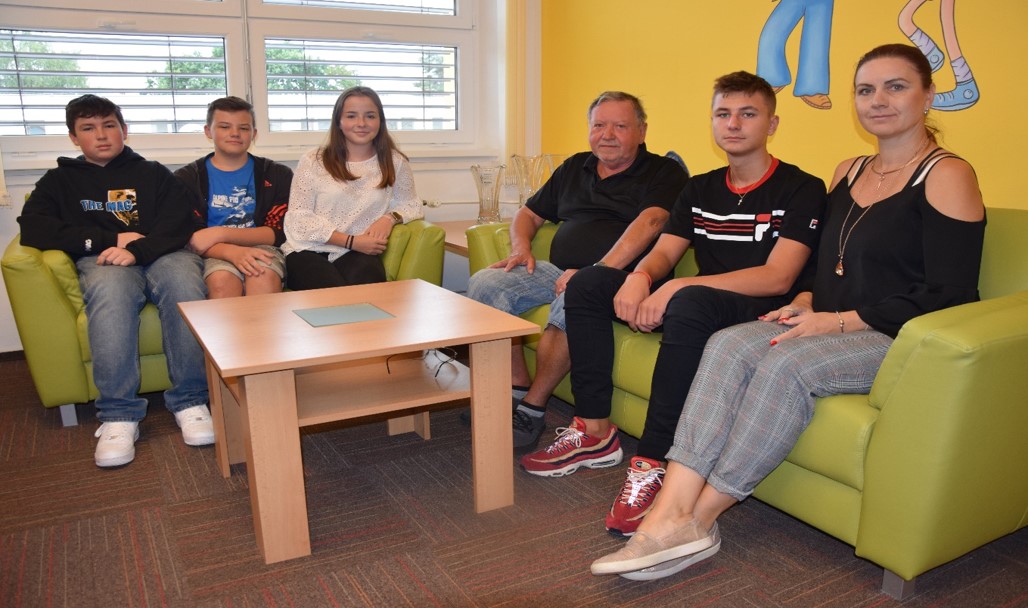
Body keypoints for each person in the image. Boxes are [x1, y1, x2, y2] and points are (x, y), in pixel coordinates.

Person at [590, 43, 985, 579]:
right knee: (728, 343)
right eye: (865, 89)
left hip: (897, 335)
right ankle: (668, 511)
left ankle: (698, 520)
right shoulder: (849, 171)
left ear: (928, 95)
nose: (878, 100)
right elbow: (825, 263)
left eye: (896, 87)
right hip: (827, 320)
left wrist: (839, 320)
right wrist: (805, 300)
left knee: (785, 365)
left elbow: (949, 292)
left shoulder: (947, 174)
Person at [523, 72, 827, 540]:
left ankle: (652, 463)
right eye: (723, 114)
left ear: (772, 124)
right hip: (702, 299)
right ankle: (595, 429)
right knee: (588, 284)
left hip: (763, 308)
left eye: (748, 114)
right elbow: (666, 251)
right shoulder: (700, 187)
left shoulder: (802, 187)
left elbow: (779, 276)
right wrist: (642, 277)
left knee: (689, 302)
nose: (733, 124)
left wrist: (677, 287)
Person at [465, 91, 688, 450]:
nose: (607, 135)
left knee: (574, 297)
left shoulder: (663, 172)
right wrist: (521, 248)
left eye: (620, 126)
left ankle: (533, 408)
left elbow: (652, 222)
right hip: (559, 271)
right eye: (599, 125)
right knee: (485, 284)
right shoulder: (575, 167)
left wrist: (593, 271)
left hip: (620, 280)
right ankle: (516, 387)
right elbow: (529, 213)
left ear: (642, 131)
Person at [18, 94, 215, 468]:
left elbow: (179, 223)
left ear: (124, 130)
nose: (101, 135)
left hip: (161, 253)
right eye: (88, 128)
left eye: (109, 125)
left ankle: (191, 401)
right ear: (74, 137)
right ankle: (119, 415)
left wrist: (138, 250)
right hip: (103, 258)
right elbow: (34, 228)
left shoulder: (153, 173)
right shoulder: (59, 180)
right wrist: (109, 240)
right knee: (111, 293)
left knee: (185, 285)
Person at [281, 86, 422, 290]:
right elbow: (298, 219)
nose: (361, 123)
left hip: (357, 253)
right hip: (308, 250)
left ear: (380, 121)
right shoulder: (313, 161)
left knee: (368, 288)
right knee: (333, 293)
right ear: (339, 121)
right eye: (351, 116)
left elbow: (412, 204)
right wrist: (351, 241)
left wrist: (389, 218)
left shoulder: (394, 162)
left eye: (370, 116)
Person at [174, 96, 293, 298]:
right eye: (224, 127)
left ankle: (260, 322)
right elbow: (194, 239)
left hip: (263, 249)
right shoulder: (186, 179)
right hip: (214, 252)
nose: (235, 133)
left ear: (254, 134)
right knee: (221, 281)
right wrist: (231, 252)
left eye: (244, 128)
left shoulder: (277, 174)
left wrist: (220, 232)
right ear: (208, 131)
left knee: (261, 275)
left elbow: (278, 232)